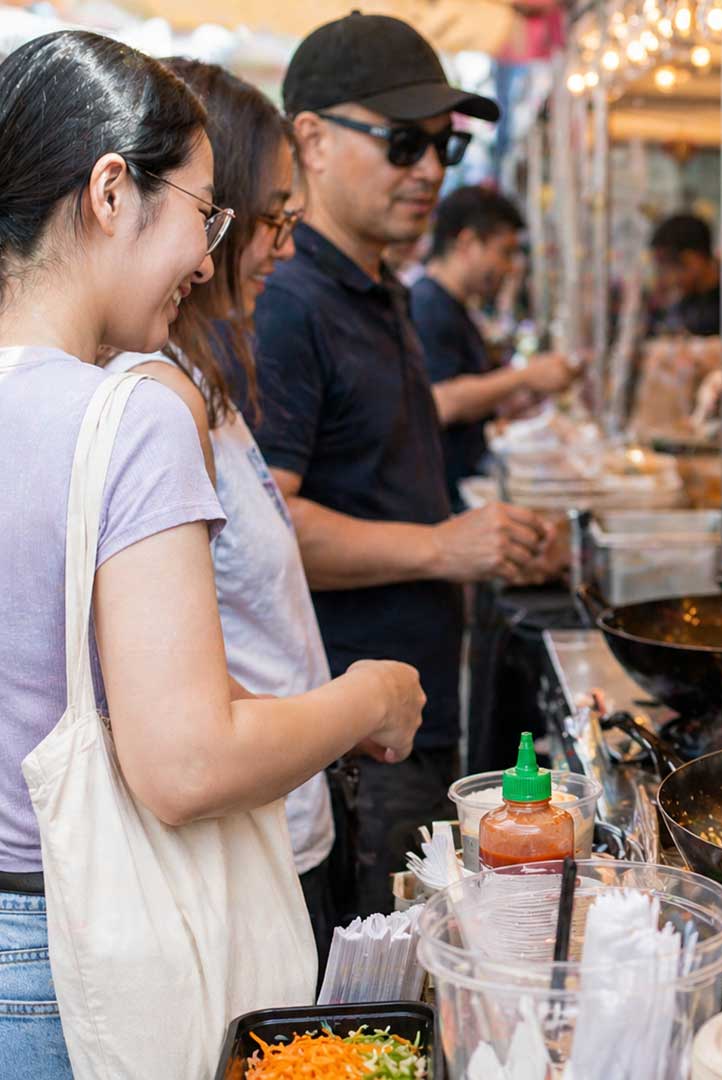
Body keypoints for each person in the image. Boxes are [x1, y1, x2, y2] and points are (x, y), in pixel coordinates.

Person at [0, 31, 423, 1072]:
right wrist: (367, 699)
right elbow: (187, 763)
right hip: (68, 954)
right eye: (206, 214)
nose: (208, 255)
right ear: (111, 193)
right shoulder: (131, 413)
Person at [252, 12, 556, 912]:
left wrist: (486, 537)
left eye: (443, 145)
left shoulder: (382, 284)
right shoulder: (289, 302)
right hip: (351, 735)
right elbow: (268, 525)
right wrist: (442, 548)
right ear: (310, 139)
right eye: (401, 142)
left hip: (405, 722)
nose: (428, 169)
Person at [98, 58, 353, 965]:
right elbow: (178, 721)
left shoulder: (207, 379)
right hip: (240, 848)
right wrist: (357, 706)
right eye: (271, 217)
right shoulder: (158, 397)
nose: (281, 245)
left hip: (281, 818)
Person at [412, 184, 574, 509]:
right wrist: (525, 377)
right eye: (505, 251)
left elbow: (469, 401)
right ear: (468, 244)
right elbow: (441, 402)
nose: (511, 266)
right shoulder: (428, 307)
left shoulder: (455, 309)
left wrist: (517, 401)